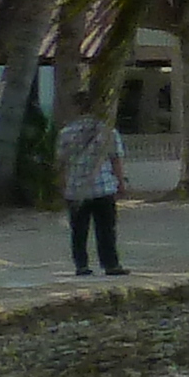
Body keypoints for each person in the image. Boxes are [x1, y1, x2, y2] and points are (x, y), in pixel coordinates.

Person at [57, 87, 127, 275]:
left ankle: (81, 265)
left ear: (76, 108)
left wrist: (62, 186)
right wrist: (121, 183)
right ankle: (110, 264)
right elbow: (116, 159)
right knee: (106, 229)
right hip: (103, 185)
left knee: (79, 230)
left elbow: (61, 162)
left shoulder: (66, 132)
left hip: (76, 188)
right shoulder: (107, 131)